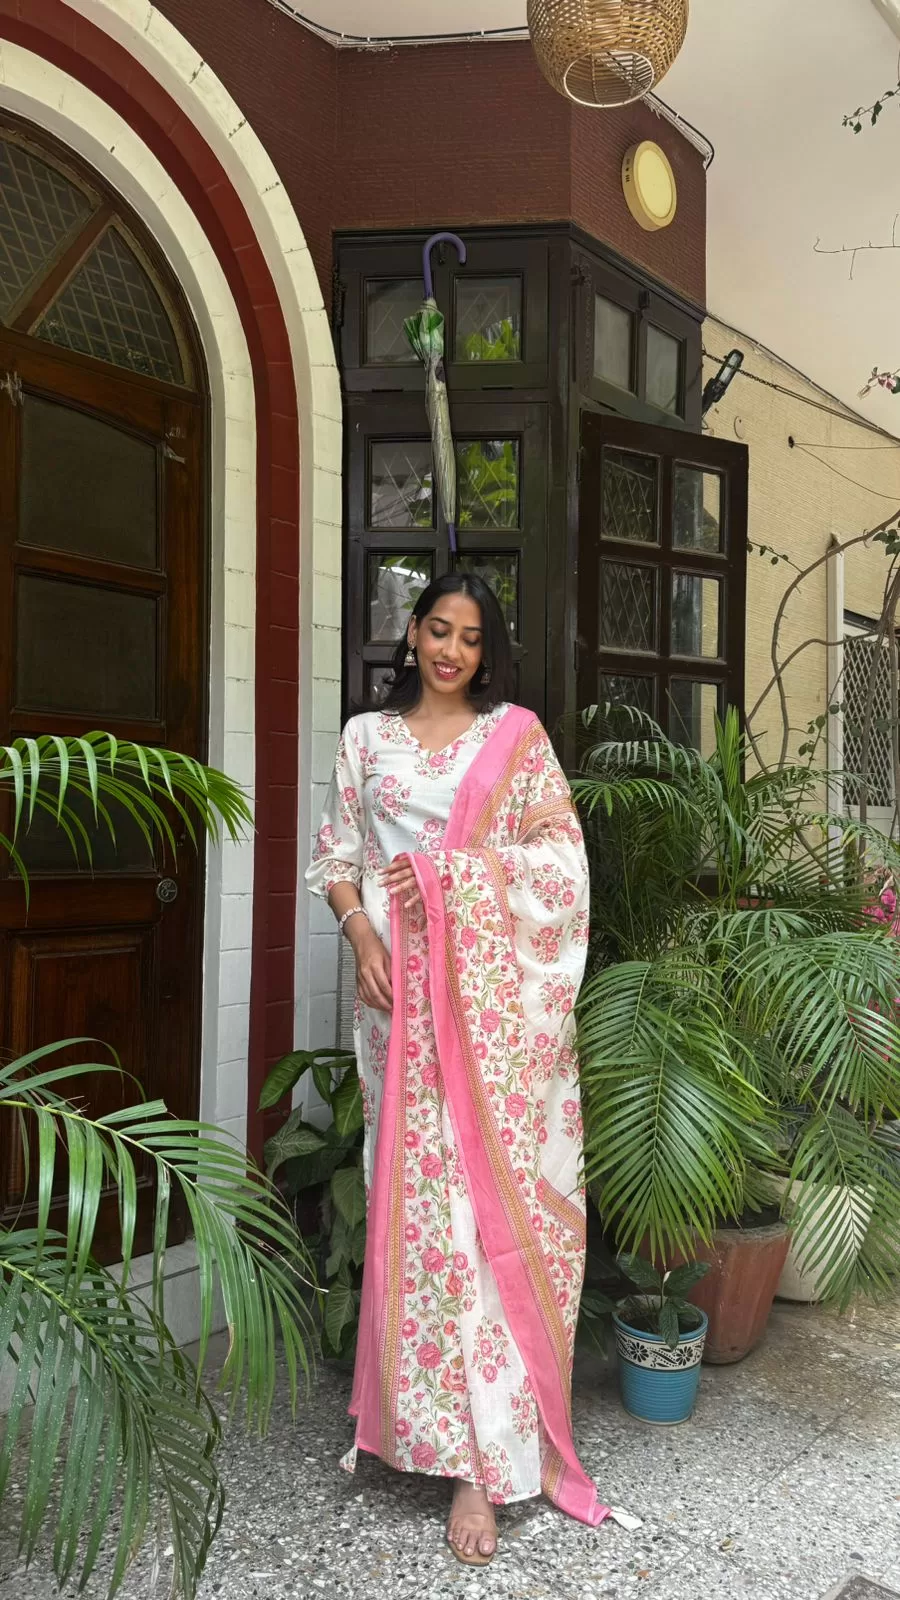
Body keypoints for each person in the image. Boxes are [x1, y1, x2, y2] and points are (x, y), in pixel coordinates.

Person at [306, 574, 608, 1566]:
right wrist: (363, 935)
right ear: (412, 632)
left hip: (491, 1023)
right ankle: (422, 1431)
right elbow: (337, 857)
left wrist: (451, 880)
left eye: (471, 638)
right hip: (397, 1009)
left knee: (482, 1221)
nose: (450, 651)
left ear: (488, 652)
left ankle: (484, 1463)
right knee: (421, 1220)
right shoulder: (365, 739)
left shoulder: (514, 739)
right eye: (438, 629)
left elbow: (562, 865)